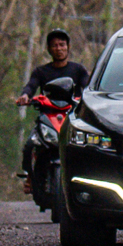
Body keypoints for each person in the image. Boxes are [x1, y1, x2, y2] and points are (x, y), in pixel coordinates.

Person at [17, 30, 91, 189]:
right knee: (30, 145)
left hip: (72, 118)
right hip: (48, 118)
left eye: (62, 45)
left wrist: (90, 98)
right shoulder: (41, 72)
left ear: (68, 47)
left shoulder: (78, 70)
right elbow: (31, 86)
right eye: (55, 45)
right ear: (49, 49)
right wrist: (25, 95)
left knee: (90, 146)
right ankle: (30, 177)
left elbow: (88, 87)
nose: (59, 49)